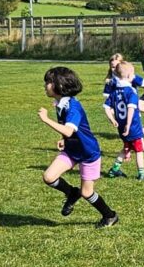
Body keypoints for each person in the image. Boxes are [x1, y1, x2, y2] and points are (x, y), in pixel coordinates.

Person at [38, 66, 118, 228]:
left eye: (48, 82)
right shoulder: (60, 103)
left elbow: (69, 130)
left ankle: (110, 216)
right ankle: (71, 193)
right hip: (71, 150)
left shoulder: (73, 107)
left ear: (60, 85)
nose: (45, 85)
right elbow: (67, 130)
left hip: (88, 153)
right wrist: (63, 139)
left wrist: (46, 119)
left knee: (87, 192)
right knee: (49, 177)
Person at [103, 61, 144, 180]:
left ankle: (114, 170)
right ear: (129, 76)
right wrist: (129, 124)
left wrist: (112, 120)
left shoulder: (114, 92)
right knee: (139, 150)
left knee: (126, 148)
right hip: (133, 126)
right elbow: (130, 109)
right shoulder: (131, 92)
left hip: (121, 127)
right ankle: (141, 174)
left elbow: (106, 107)